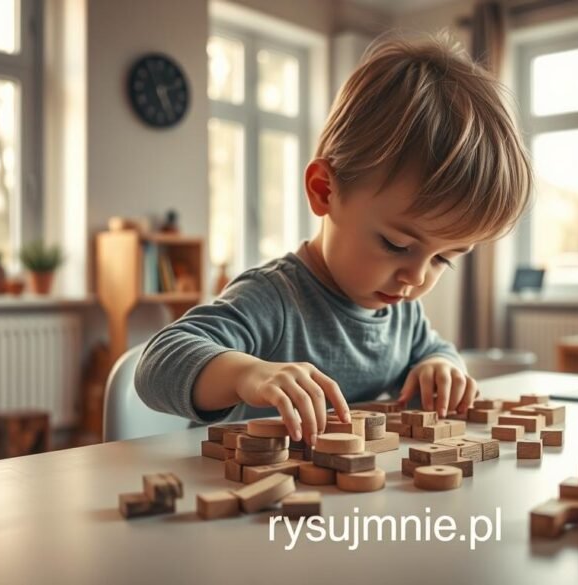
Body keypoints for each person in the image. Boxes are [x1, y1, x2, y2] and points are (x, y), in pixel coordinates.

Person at [135, 33, 531, 446]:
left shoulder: (402, 316)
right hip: (253, 496)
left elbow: (435, 350)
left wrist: (440, 364)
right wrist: (247, 374)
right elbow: (156, 364)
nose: (416, 278)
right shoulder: (274, 299)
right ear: (325, 191)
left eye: (443, 259)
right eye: (397, 245)